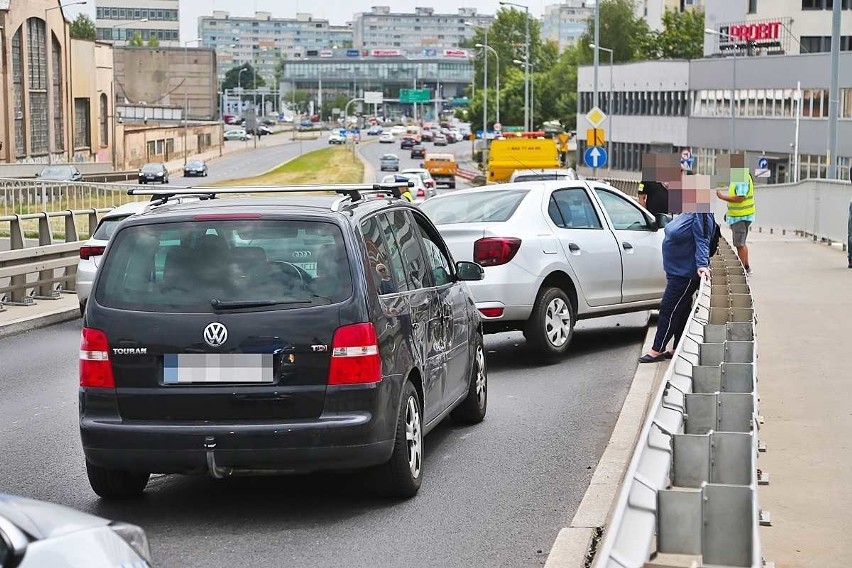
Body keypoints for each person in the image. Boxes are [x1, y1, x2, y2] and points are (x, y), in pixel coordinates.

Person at [640, 179, 715, 363]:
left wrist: (702, 265)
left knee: (669, 308)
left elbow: (703, 239)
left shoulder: (701, 211)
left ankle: (657, 349)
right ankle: (677, 347)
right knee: (680, 309)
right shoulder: (688, 210)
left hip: (685, 273)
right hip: (676, 271)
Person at [716, 156, 755, 274]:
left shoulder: (741, 177)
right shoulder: (740, 175)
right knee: (741, 243)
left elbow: (740, 198)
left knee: (739, 244)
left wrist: (722, 197)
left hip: (740, 217)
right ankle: (747, 267)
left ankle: (742, 271)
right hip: (740, 215)